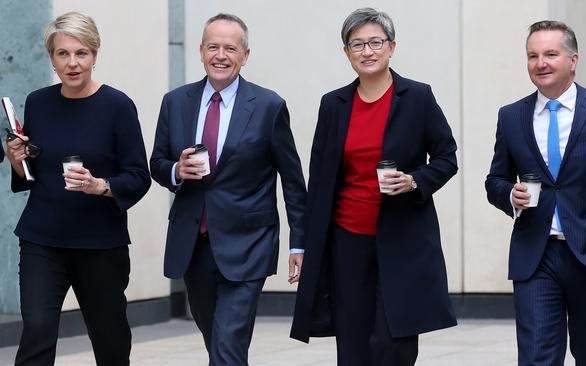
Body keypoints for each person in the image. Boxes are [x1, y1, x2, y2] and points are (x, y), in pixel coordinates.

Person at [290, 7, 458, 366]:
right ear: (347, 52)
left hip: (403, 238)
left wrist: (415, 180)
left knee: (394, 344)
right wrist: (303, 242)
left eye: (375, 42)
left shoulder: (417, 97)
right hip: (347, 239)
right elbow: (318, 179)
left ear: (392, 47)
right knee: (353, 341)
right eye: (357, 44)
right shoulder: (333, 104)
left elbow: (447, 157)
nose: (367, 51)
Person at [485, 20, 586, 365]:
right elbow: (495, 179)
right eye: (532, 55)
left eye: (550, 54)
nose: (540, 63)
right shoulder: (512, 116)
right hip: (535, 255)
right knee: (536, 357)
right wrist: (507, 196)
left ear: (573, 60)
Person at [150, 13, 306, 365]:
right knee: (217, 341)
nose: (221, 55)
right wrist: (177, 169)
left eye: (230, 48)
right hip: (193, 244)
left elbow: (294, 181)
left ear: (245, 55)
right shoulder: (175, 102)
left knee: (228, 343)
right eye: (213, 47)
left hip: (248, 242)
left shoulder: (269, 106)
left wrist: (300, 242)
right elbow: (156, 163)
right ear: (201, 51)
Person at [4, 11, 151, 366]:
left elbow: (138, 176)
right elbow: (33, 174)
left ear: (95, 55)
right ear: (51, 57)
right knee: (37, 330)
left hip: (100, 244)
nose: (72, 63)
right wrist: (16, 159)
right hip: (42, 239)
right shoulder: (38, 101)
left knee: (110, 340)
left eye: (81, 53)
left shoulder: (118, 106)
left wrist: (100, 185)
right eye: (62, 54)